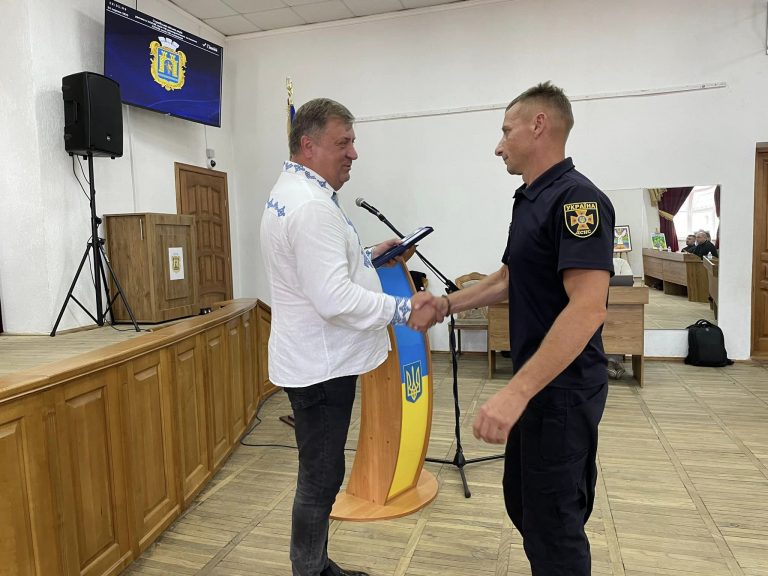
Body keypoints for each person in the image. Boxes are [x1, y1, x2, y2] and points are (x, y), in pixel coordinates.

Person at [417, 82, 615, 575]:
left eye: (506, 131)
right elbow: (508, 278)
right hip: (535, 385)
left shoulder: (577, 200)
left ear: (538, 125)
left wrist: (515, 392)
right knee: (524, 504)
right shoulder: (529, 199)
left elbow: (587, 308)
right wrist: (444, 305)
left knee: (554, 527)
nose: (499, 145)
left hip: (562, 391)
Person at [260, 98, 436, 576]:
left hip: (313, 359)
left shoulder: (294, 191)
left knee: (322, 472)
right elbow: (334, 298)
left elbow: (318, 267)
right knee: (320, 478)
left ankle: (315, 565)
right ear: (308, 145)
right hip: (321, 367)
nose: (354, 153)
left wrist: (367, 255)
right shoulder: (311, 207)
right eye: (344, 143)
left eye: (352, 142)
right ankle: (310, 571)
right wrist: (405, 308)